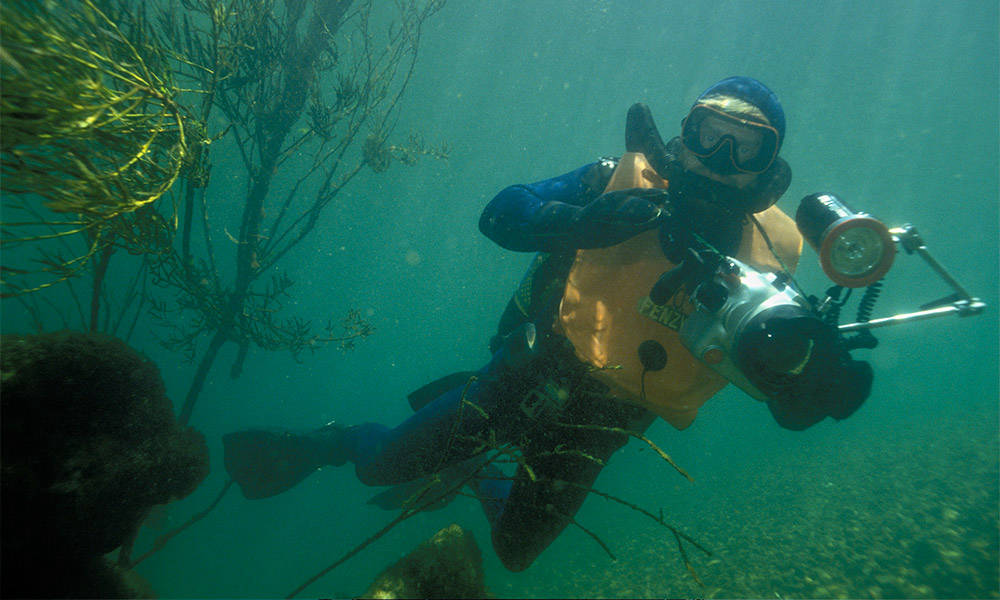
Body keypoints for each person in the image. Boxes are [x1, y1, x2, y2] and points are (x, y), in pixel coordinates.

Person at [223, 76, 873, 572]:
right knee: (381, 466)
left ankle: (478, 470)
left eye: (747, 146)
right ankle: (334, 442)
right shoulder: (613, 181)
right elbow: (503, 211)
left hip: (605, 422)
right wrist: (577, 222)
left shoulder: (773, 254)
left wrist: (814, 381)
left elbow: (767, 363)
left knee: (515, 554)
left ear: (769, 167)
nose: (720, 156)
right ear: (684, 131)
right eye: (710, 133)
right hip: (528, 370)